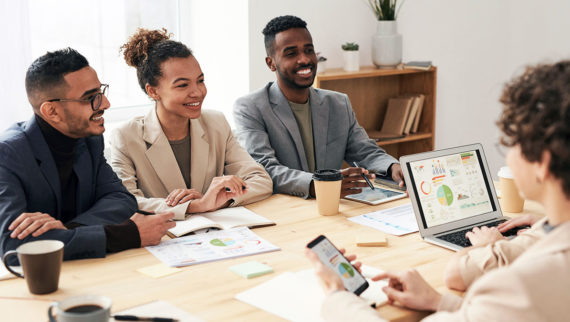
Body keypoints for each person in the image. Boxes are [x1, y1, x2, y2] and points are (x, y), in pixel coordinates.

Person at [306, 60, 570, 321]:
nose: (509, 156)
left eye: (513, 144)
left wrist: (337, 296)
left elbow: (506, 305)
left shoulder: (519, 285)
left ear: (542, 164)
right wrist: (439, 301)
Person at [0, 48, 175, 262]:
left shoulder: (90, 139)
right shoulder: (7, 155)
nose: (105, 104)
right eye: (90, 98)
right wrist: (122, 235)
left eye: (101, 92)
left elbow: (121, 199)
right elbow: (12, 248)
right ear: (51, 111)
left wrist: (67, 229)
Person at [233, 15, 403, 199]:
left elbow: (365, 150)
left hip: (333, 209)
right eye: (291, 53)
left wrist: (393, 167)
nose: (304, 59)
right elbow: (265, 168)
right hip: (286, 211)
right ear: (271, 63)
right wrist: (319, 185)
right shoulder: (250, 108)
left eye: (309, 50)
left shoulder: (338, 103)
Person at [109, 29, 273, 220]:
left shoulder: (216, 123)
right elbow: (125, 201)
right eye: (182, 85)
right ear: (153, 91)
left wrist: (220, 199)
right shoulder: (126, 136)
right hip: (164, 239)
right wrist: (195, 206)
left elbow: (261, 180)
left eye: (200, 81)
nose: (197, 92)